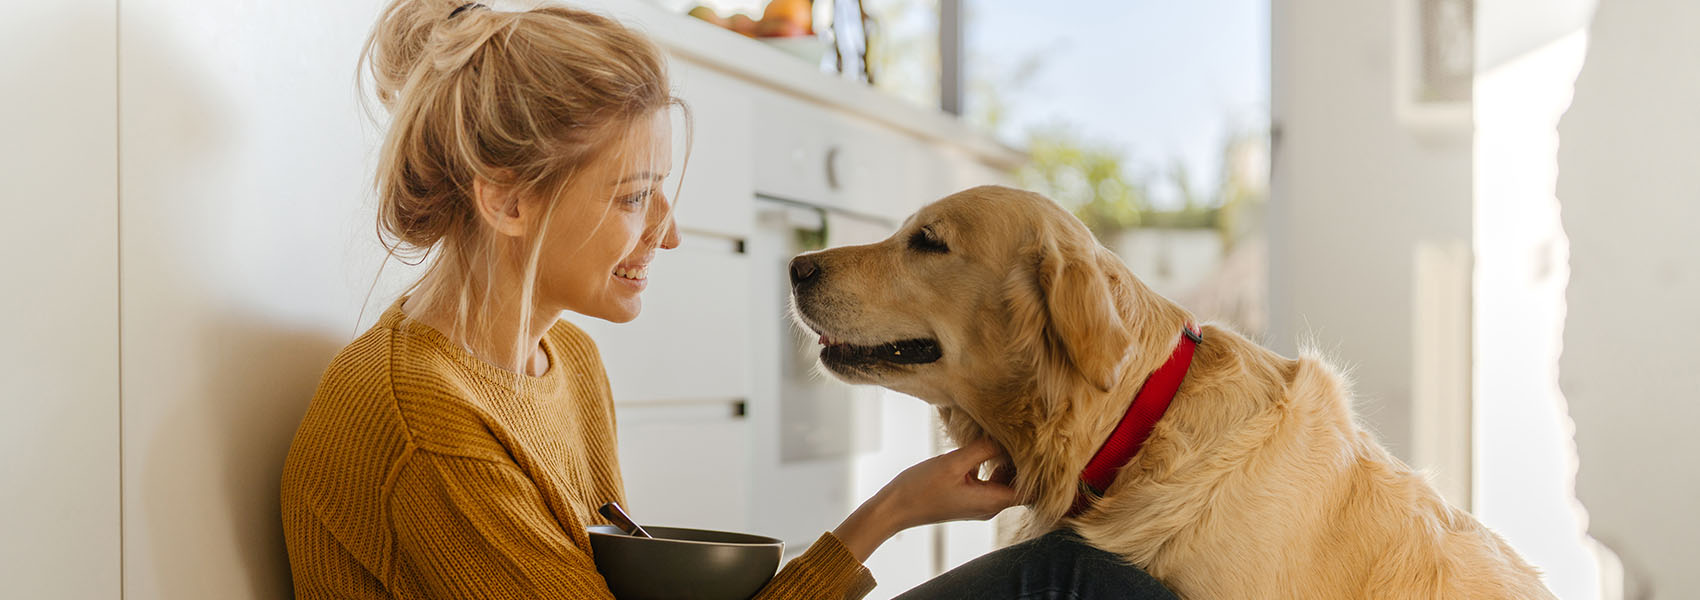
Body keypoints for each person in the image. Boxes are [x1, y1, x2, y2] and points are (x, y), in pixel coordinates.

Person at [279, 1, 1177, 598]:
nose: (665, 234)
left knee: (1079, 571)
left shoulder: (563, 364)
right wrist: (886, 518)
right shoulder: (425, 428)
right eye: (634, 196)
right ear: (508, 198)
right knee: (1076, 582)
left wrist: (898, 506)